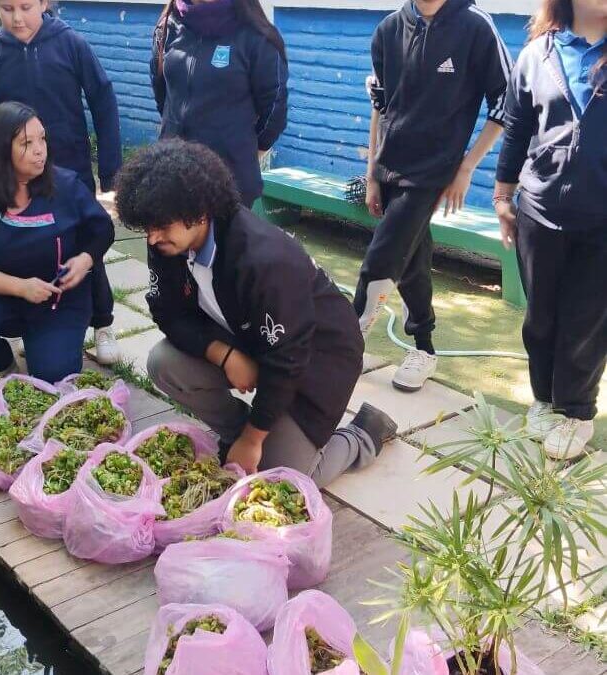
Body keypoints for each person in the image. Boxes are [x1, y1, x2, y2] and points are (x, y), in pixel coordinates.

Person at [114, 140, 397, 487]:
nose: (153, 238)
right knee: (164, 363)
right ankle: (243, 431)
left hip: (318, 358)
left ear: (199, 211)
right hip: (251, 339)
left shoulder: (263, 260)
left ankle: (363, 434)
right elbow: (166, 312)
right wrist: (225, 354)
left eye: (161, 226)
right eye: (147, 227)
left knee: (285, 480)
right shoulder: (167, 240)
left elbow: (288, 358)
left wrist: (254, 439)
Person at [0, 0, 123, 365]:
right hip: (11, 175)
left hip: (67, 170)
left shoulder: (70, 44)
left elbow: (102, 99)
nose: (16, 17)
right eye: (6, 8)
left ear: (43, 3)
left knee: (85, 249)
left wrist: (111, 169)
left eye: (25, 7)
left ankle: (102, 322)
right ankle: (26, 315)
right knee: (19, 244)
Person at [357, 0, 513, 392]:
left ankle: (343, 346)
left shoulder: (475, 26)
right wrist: (372, 171)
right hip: (390, 165)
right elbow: (380, 105)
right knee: (412, 260)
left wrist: (466, 167)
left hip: (434, 171)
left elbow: (506, 102)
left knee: (382, 257)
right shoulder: (389, 29)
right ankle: (424, 349)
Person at [0, 102, 115, 399]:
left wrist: (85, 260)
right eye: (27, 143)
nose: (40, 150)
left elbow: (103, 230)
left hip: (58, 301)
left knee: (51, 380)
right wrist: (20, 287)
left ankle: (48, 346)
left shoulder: (66, 185)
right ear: (0, 149)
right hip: (3, 296)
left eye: (42, 139)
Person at [493, 0, 605, 459]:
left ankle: (576, 411)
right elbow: (517, 129)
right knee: (540, 316)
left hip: (602, 222)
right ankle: (543, 399)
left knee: (587, 320)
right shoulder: (536, 55)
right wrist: (502, 196)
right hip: (539, 211)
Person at [150, 0, 288, 208]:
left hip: (229, 183)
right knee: (165, 240)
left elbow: (274, 107)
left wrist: (246, 149)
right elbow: (163, 95)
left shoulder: (255, 36)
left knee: (223, 241)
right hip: (171, 176)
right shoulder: (168, 27)